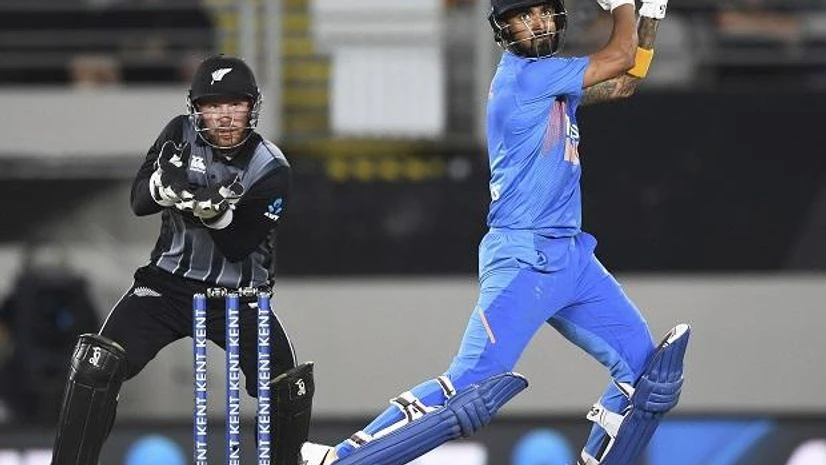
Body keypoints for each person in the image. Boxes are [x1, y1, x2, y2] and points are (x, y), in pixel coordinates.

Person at [301, 0, 690, 464]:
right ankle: (341, 457)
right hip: (523, 257)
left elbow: (624, 84)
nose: (536, 24)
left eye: (543, 12)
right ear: (503, 29)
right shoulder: (525, 78)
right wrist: (625, 6)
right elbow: (621, 56)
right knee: (472, 385)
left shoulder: (555, 80)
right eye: (522, 18)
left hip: (573, 258)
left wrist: (653, 14)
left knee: (649, 376)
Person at [50, 54, 315, 465]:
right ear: (197, 109)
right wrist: (163, 186)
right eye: (213, 105)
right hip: (166, 286)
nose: (224, 116)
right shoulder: (178, 132)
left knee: (287, 383)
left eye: (235, 104)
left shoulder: (271, 167)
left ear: (252, 107)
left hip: (239, 296)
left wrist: (210, 210)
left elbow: (240, 244)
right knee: (96, 365)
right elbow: (139, 200)